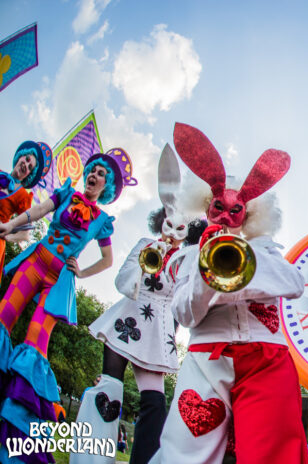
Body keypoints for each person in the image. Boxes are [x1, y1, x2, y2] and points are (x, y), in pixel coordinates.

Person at [151, 123, 308, 464]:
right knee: (185, 453)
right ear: (204, 210)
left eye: (235, 210)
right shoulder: (190, 256)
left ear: (249, 215)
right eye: (217, 208)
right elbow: (185, 315)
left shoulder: (265, 251)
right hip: (206, 359)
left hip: (269, 359)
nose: (225, 216)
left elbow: (294, 284)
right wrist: (209, 271)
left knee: (274, 452)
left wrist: (241, 266)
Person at [0, 148, 136, 464]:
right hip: (35, 262)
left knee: (36, 344)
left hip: (58, 280)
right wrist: (10, 227)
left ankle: (16, 440)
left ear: (108, 186)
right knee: (3, 317)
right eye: (95, 168)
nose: (96, 174)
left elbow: (108, 260)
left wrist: (81, 272)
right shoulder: (65, 193)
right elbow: (36, 212)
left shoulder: (102, 221)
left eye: (103, 173)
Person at [71, 146, 205, 464]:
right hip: (128, 320)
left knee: (154, 404)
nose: (172, 232)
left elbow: (185, 304)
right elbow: (121, 281)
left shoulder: (187, 259)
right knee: (109, 389)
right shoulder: (145, 245)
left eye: (179, 228)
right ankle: (89, 458)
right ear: (160, 222)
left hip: (159, 332)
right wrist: (145, 265)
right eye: (168, 225)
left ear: (188, 232)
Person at [0, 141, 53, 272]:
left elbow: (25, 234)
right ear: (21, 156)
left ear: (29, 175)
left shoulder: (23, 196)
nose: (26, 165)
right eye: (27, 159)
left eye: (30, 167)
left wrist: (6, 236)